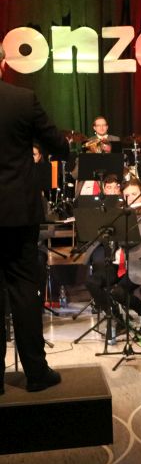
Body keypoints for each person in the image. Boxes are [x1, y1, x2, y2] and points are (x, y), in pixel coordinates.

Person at [1, 42, 69, 393]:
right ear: (3, 64)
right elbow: (59, 145)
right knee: (25, 292)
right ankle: (36, 373)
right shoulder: (22, 99)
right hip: (17, 213)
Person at [85, 180, 141, 335]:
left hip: (140, 264)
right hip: (118, 263)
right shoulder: (120, 212)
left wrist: (114, 227)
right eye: (127, 195)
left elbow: (132, 237)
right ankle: (118, 319)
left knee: (117, 291)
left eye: (134, 194)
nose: (131, 198)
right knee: (92, 282)